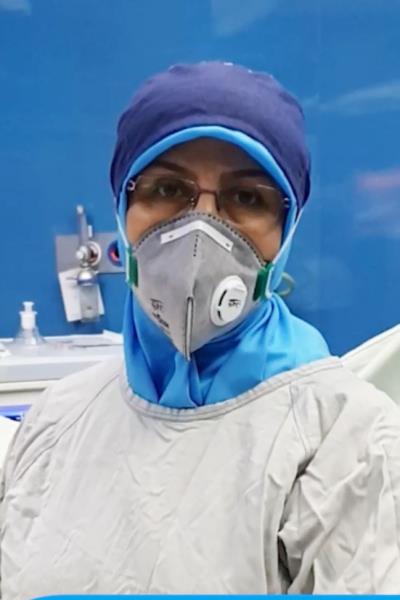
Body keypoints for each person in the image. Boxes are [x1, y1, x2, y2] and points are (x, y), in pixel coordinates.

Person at [1, 62, 400, 597]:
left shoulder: (348, 440)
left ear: (286, 234)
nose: (201, 230)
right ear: (122, 209)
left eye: (247, 197)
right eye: (168, 189)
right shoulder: (56, 420)